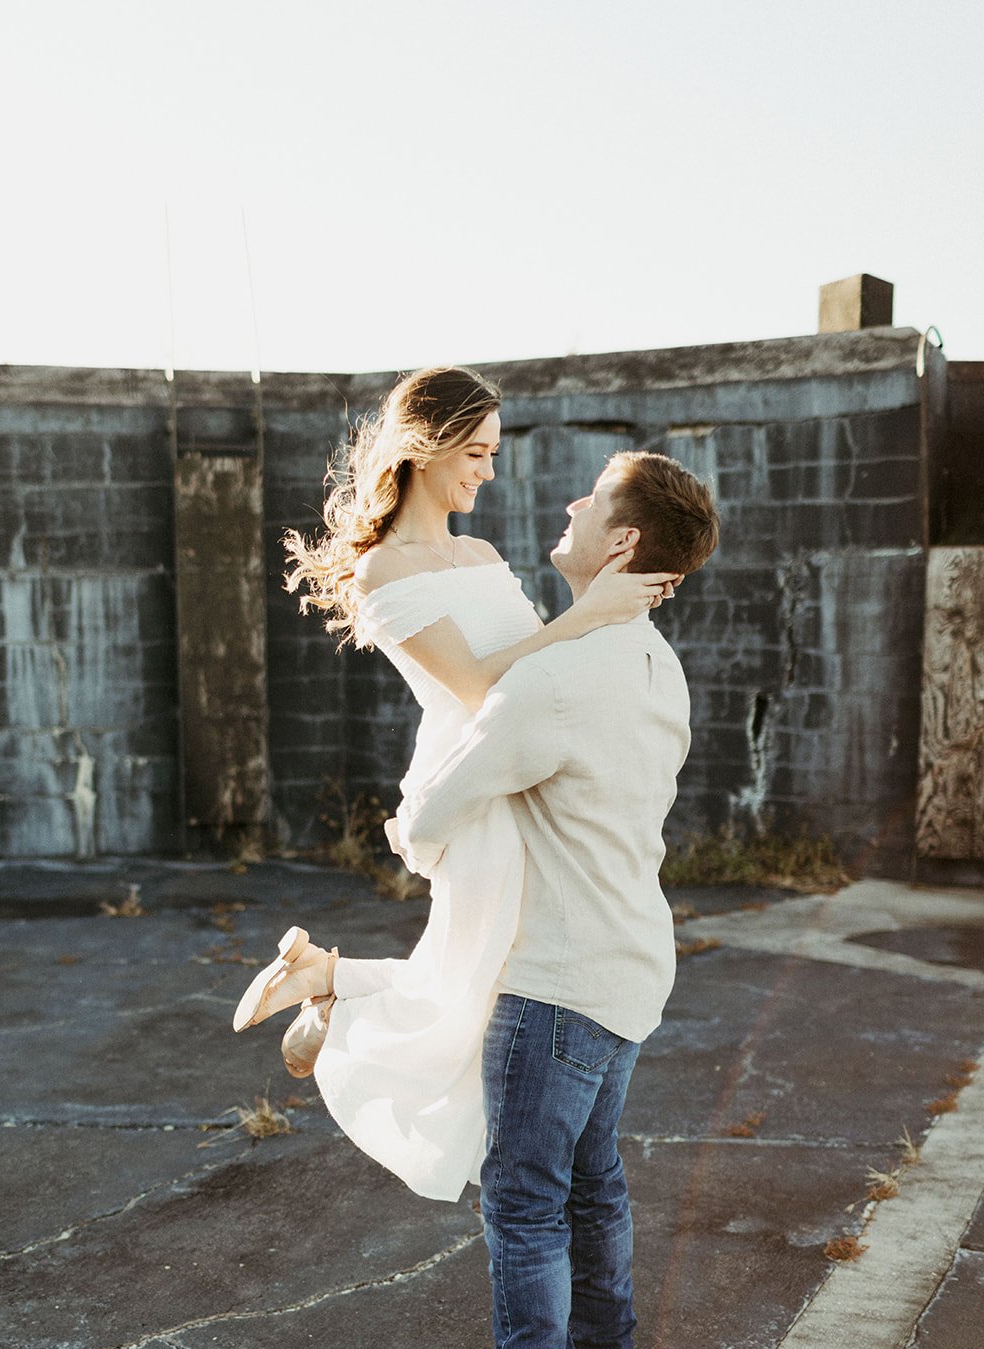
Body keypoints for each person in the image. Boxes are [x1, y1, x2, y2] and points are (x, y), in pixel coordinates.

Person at [232, 367, 676, 1202]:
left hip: (512, 763)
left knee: (479, 969)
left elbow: (540, 675)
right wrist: (587, 616)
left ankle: (326, 976)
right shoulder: (383, 572)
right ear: (424, 449)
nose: (488, 470)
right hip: (471, 771)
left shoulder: (476, 553)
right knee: (474, 981)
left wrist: (607, 625)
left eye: (493, 452)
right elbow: (479, 687)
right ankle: (332, 993)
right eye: (475, 451)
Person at [392, 449, 719, 1349]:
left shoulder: (554, 677)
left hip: (554, 982)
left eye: (590, 500)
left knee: (524, 1210)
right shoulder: (653, 663)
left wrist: (419, 834)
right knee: (591, 1185)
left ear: (621, 544)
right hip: (629, 964)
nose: (569, 504)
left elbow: (432, 813)